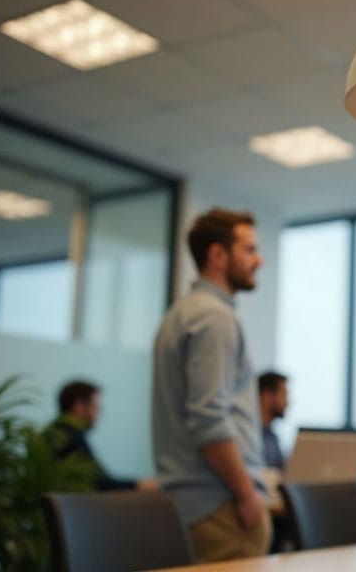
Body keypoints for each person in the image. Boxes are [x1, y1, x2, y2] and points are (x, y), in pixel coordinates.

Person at [152, 208, 270, 563]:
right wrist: (246, 493)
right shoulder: (213, 317)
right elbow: (209, 420)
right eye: (249, 250)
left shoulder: (183, 313)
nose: (259, 260)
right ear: (217, 255)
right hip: (220, 509)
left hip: (200, 506)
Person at [45, 381, 157, 491]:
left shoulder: (52, 431)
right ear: (79, 406)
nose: (99, 412)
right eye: (95, 406)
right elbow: (100, 484)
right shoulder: (71, 437)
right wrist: (140, 485)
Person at [257, 370, 289, 471]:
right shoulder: (248, 435)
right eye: (284, 395)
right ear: (267, 396)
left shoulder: (272, 437)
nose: (288, 403)